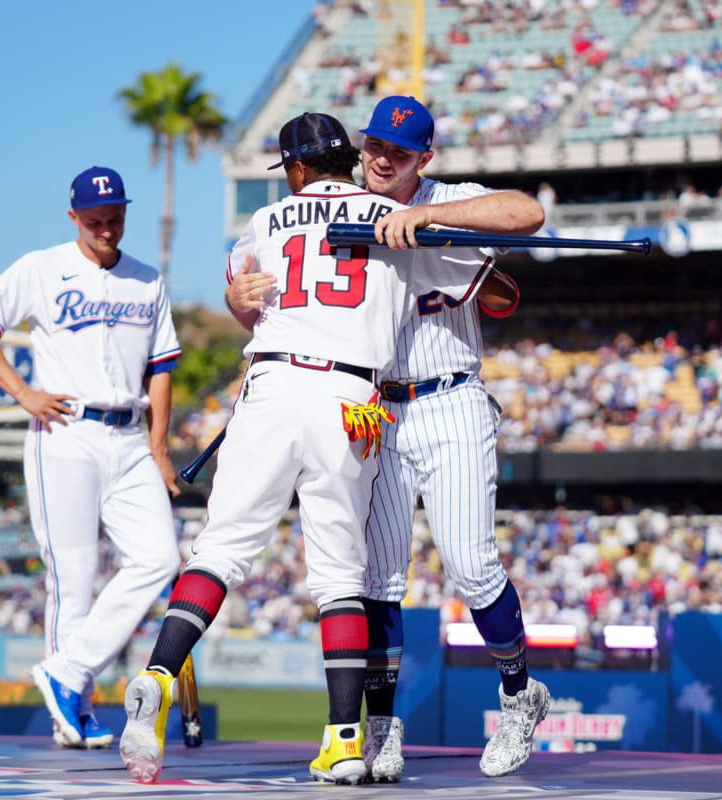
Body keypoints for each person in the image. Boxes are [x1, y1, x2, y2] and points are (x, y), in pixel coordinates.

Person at [119, 112, 494, 785]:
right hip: (349, 401)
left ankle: (157, 674)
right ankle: (345, 742)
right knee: (341, 578)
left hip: (269, 383)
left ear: (294, 169)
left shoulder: (264, 225)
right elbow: (487, 272)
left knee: (220, 551)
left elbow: (246, 297)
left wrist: (238, 295)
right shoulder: (389, 214)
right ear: (349, 159)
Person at [358, 95, 549, 780]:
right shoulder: (343, 203)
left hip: (450, 397)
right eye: (375, 144)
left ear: (423, 159)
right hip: (376, 408)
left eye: (399, 152)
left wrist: (426, 215)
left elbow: (527, 213)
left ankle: (519, 694)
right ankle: (380, 723)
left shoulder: (449, 198)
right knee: (377, 577)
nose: (383, 159)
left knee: (470, 564)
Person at [0, 166, 183, 749]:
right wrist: (22, 392)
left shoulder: (147, 279)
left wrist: (159, 449)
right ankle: (73, 706)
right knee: (74, 580)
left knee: (159, 559)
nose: (106, 228)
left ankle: (66, 673)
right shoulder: (41, 267)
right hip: (66, 431)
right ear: (73, 217)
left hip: (130, 436)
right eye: (94, 220)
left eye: (114, 218)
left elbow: (162, 369)